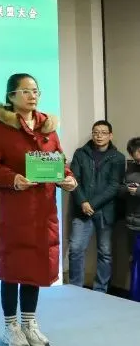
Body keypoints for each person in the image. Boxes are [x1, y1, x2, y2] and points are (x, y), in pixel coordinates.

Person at [0, 73, 76, 346]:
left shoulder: (48, 128)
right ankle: (10, 326)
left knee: (35, 265)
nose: (33, 96)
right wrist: (13, 179)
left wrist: (68, 177)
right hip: (13, 210)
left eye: (36, 91)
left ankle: (29, 323)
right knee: (12, 267)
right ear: (11, 96)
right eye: (26, 91)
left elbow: (58, 161)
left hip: (43, 210)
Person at [67, 120, 125, 292]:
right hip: (81, 210)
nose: (99, 136)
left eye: (103, 133)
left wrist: (91, 204)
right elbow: (73, 179)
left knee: (105, 253)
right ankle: (75, 289)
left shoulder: (118, 157)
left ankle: (100, 290)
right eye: (95, 132)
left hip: (106, 211)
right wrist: (83, 202)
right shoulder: (80, 153)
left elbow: (114, 186)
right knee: (76, 249)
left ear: (110, 136)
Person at [119, 137, 140, 302]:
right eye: (135, 152)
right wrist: (127, 189)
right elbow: (119, 189)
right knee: (134, 260)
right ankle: (135, 297)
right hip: (132, 223)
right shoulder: (130, 168)